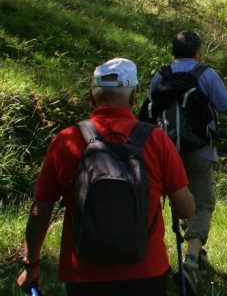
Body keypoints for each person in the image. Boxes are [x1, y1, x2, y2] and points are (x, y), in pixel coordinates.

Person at [16, 58, 194, 296]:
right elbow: (184, 209)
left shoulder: (66, 140)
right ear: (133, 97)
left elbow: (40, 211)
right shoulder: (157, 140)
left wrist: (31, 264)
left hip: (84, 274)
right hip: (146, 271)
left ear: (92, 98)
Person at [149, 31, 227, 295]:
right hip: (199, 151)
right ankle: (191, 261)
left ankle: (193, 252)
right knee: (203, 204)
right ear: (198, 52)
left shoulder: (159, 76)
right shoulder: (205, 74)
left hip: (163, 152)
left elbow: (150, 112)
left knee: (179, 200)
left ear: (173, 52)